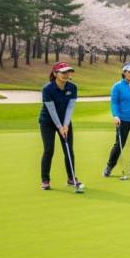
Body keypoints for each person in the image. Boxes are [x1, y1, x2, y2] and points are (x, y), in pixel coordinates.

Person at [39, 62, 81, 190]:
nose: (66, 74)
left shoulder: (72, 87)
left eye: (68, 72)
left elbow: (70, 107)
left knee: (68, 150)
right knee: (49, 149)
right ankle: (45, 180)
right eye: (63, 72)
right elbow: (51, 110)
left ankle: (71, 178)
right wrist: (59, 126)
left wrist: (66, 125)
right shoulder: (47, 89)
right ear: (55, 74)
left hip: (65, 122)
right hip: (47, 122)